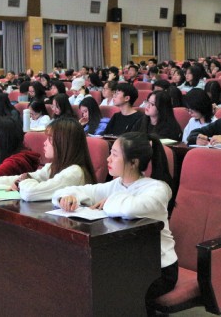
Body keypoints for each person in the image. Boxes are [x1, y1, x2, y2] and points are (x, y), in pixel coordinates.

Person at [52, 132, 177, 315]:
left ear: (133, 162)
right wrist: (66, 197)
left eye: (115, 155)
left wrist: (108, 201)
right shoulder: (116, 184)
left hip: (159, 268)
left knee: (108, 290)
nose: (108, 159)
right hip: (126, 262)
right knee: (82, 280)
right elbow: (76, 190)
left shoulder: (158, 188)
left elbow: (130, 209)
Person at [0, 117, 96, 201]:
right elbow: (14, 179)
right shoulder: (52, 167)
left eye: (50, 139)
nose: (45, 143)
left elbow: (31, 192)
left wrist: (22, 181)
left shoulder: (74, 172)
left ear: (63, 144)